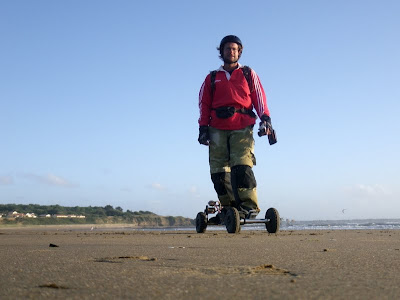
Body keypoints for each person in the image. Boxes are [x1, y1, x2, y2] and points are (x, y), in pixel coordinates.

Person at [198, 35, 275, 221]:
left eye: (234, 49)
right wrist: (203, 128)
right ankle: (228, 208)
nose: (231, 52)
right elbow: (204, 104)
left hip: (242, 126)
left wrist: (266, 119)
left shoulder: (248, 74)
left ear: (239, 52)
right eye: (227, 49)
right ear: (222, 52)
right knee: (218, 171)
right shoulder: (212, 78)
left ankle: (249, 207)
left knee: (242, 165)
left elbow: (259, 98)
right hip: (217, 127)